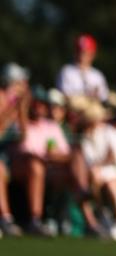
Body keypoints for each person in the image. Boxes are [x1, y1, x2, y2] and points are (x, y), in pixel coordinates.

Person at [13, 88, 73, 235]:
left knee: (70, 171)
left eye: (42, 104)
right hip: (23, 167)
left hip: (50, 169)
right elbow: (23, 147)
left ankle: (63, 218)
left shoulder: (52, 127)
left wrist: (52, 157)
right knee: (36, 167)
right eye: (35, 104)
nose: (38, 108)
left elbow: (67, 155)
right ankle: (36, 219)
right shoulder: (21, 124)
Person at [76, 101, 116, 242]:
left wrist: (101, 164)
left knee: (112, 185)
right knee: (89, 185)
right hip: (98, 176)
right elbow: (91, 162)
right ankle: (101, 219)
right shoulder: (85, 139)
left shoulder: (110, 131)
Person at [0, 63, 30, 236]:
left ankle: (33, 220)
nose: (24, 85)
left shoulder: (16, 103)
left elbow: (23, 137)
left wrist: (22, 109)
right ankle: (5, 219)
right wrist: (12, 110)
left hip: (9, 155)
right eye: (20, 82)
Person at [57, 33, 109, 101]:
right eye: (79, 51)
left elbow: (104, 98)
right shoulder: (66, 71)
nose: (81, 55)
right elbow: (65, 97)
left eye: (85, 52)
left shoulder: (97, 75)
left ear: (92, 54)